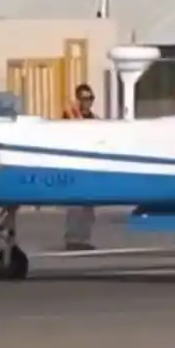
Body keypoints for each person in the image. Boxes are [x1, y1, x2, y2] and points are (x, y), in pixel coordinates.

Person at [62, 83, 98, 250]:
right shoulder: (68, 119)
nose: (88, 102)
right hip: (74, 167)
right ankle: (72, 238)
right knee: (75, 206)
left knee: (88, 208)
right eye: (84, 99)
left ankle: (84, 238)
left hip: (90, 168)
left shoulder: (95, 121)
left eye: (90, 99)